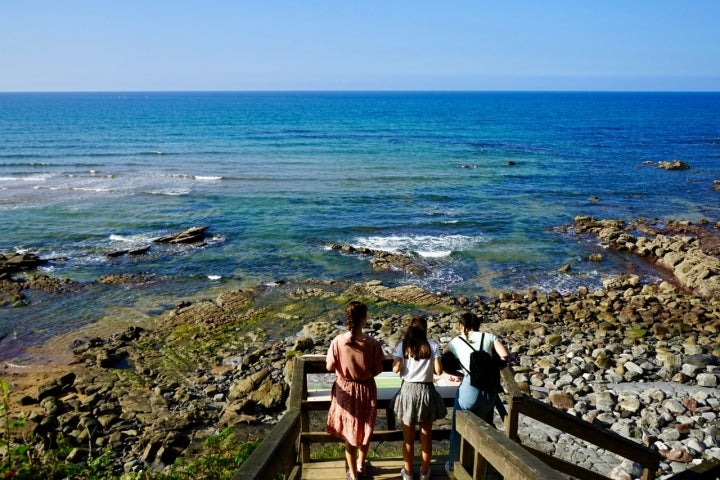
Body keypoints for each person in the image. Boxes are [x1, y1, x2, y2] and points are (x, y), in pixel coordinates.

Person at [443, 312, 511, 477]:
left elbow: (443, 359)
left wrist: (459, 372)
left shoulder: (456, 341)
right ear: (478, 325)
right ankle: (489, 466)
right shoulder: (488, 336)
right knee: (486, 428)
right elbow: (505, 355)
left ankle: (453, 465)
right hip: (489, 390)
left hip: (469, 388)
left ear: (462, 325)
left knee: (458, 428)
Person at [326, 301, 385, 480]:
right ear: (363, 319)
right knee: (365, 429)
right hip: (366, 389)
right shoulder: (372, 343)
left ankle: (353, 474)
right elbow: (378, 368)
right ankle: (361, 465)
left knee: (349, 433)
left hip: (345, 390)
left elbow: (329, 366)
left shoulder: (337, 341)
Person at [392, 316, 447, 480]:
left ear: (410, 328)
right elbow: (438, 371)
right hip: (426, 392)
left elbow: (395, 369)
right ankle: (424, 472)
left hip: (408, 391)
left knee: (407, 438)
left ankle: (408, 473)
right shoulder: (433, 346)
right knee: (426, 435)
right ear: (425, 329)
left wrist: (398, 360)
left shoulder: (403, 346)